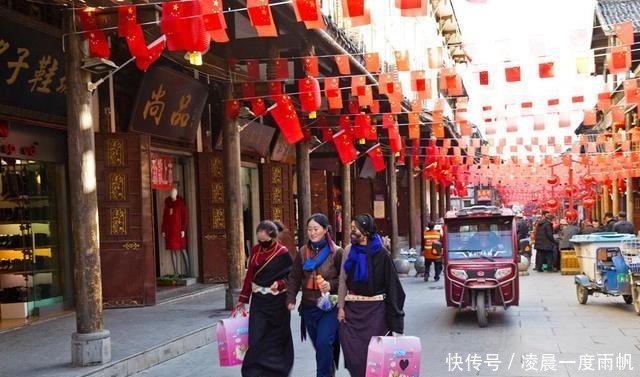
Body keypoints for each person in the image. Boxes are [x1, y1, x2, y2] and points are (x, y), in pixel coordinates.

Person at [337, 214, 406, 377]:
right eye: (351, 228)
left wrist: (396, 322)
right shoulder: (348, 251)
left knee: (375, 357)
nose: (351, 232)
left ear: (366, 231)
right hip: (353, 311)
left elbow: (393, 287)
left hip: (376, 312)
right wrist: (340, 307)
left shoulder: (381, 254)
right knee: (354, 357)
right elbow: (342, 281)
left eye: (355, 229)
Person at [287, 214, 343, 377]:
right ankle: (329, 370)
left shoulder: (336, 252)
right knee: (321, 347)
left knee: (324, 341)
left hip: (329, 307)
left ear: (325, 230)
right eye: (309, 229)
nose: (312, 233)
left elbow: (346, 280)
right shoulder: (303, 252)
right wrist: (290, 299)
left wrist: (330, 285)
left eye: (316, 229)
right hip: (309, 308)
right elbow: (294, 277)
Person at [236, 220, 294, 377]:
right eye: (259, 241)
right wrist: (243, 298)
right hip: (259, 301)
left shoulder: (282, 253)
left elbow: (292, 276)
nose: (262, 244)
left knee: (276, 337)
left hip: (277, 302)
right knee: (256, 336)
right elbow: (249, 276)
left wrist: (280, 284)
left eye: (265, 241)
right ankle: (254, 371)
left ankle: (277, 370)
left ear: (273, 237)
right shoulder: (255, 250)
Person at [161, 187, 189, 276]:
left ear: (176, 194)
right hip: (171, 231)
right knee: (173, 250)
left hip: (179, 231)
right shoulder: (168, 204)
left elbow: (185, 218)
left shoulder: (181, 203)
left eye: (174, 193)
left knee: (183, 250)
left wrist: (183, 230)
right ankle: (176, 272)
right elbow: (164, 218)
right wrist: (163, 230)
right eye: (171, 192)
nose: (172, 194)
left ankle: (188, 271)